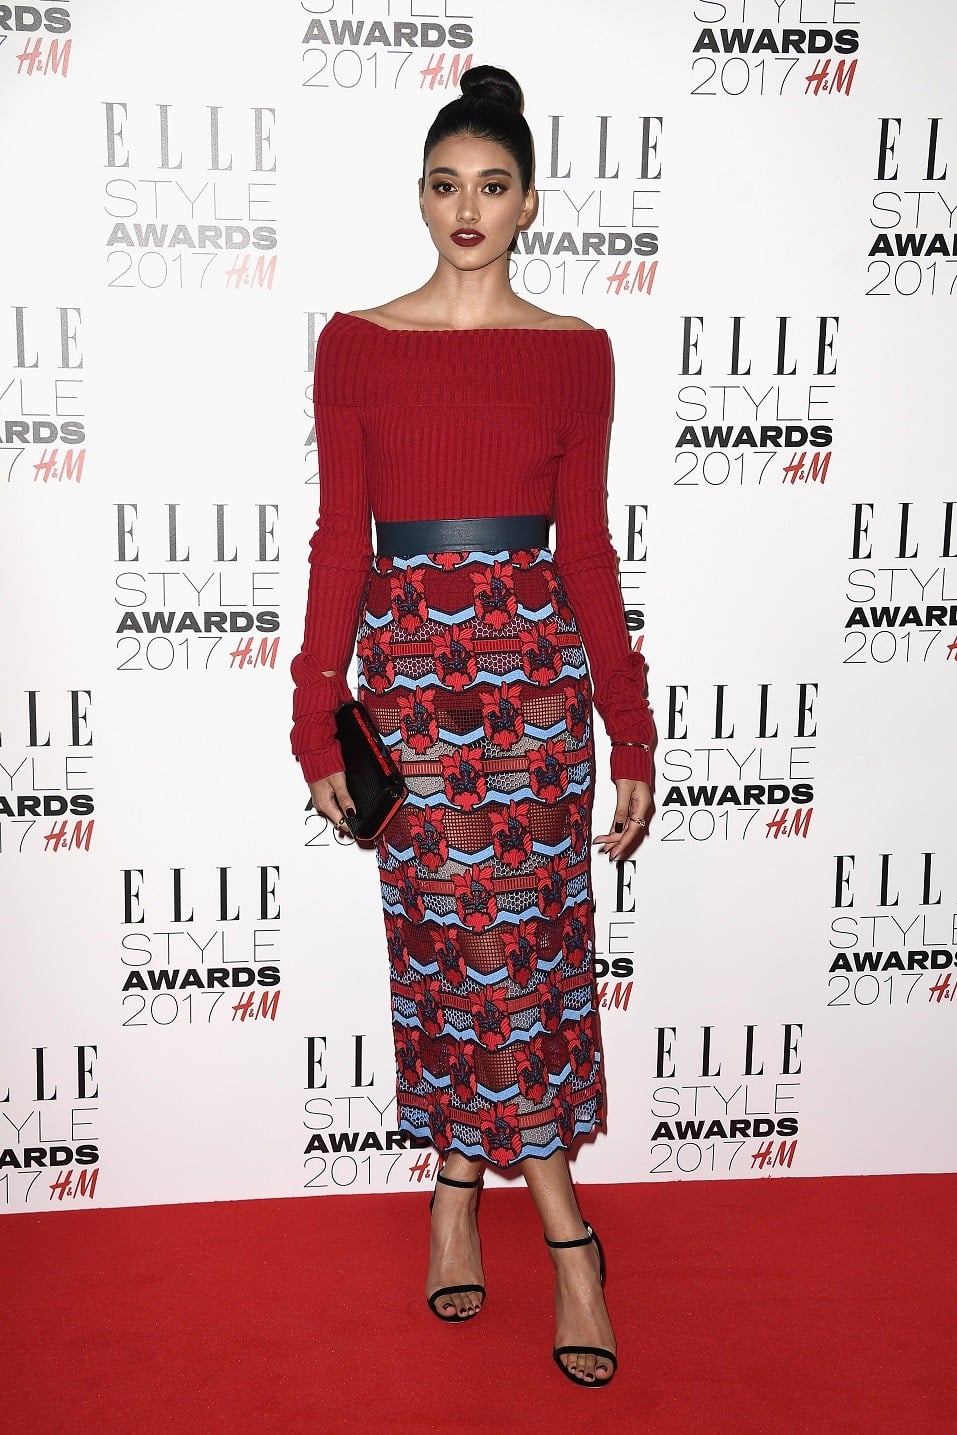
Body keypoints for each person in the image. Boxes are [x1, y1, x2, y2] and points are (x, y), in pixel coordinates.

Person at [290, 64, 654, 1389]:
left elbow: (587, 551)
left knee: (531, 956)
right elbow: (341, 541)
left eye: (492, 187)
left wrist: (629, 726)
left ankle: (477, 1198)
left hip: (537, 695)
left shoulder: (575, 353)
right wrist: (315, 714)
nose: (467, 209)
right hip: (410, 691)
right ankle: (547, 1228)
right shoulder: (356, 344)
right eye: (446, 185)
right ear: (420, 195)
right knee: (450, 950)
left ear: (529, 204)